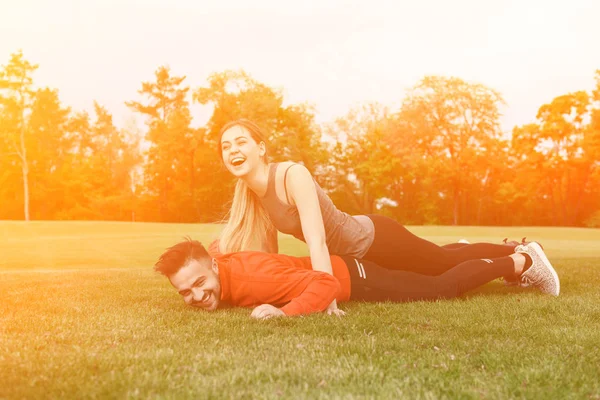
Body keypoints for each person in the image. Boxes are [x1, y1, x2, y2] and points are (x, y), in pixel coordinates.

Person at [215, 119, 530, 313]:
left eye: (241, 142)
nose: (233, 150)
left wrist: (327, 299)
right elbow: (271, 258)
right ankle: (510, 248)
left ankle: (518, 254)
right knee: (443, 258)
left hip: (375, 239)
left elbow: (317, 241)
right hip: (353, 257)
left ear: (261, 148)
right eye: (226, 147)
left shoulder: (291, 175)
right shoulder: (252, 198)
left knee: (442, 265)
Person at [154, 238, 560, 319]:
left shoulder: (255, 283)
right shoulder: (220, 263)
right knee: (437, 263)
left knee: (442, 288)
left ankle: (521, 262)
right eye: (184, 292)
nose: (195, 296)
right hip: (347, 263)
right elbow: (220, 252)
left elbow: (324, 285)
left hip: (354, 278)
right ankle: (492, 248)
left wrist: (285, 314)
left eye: (199, 284)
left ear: (210, 267)